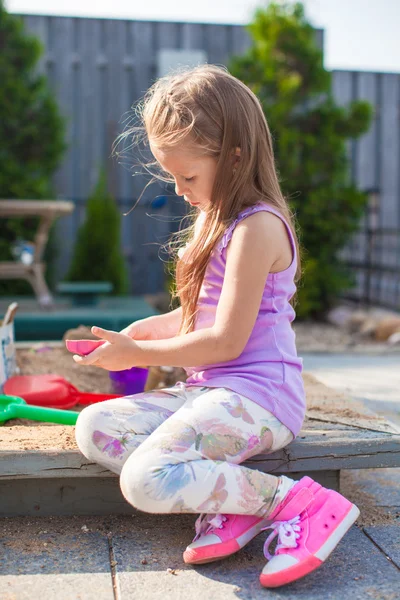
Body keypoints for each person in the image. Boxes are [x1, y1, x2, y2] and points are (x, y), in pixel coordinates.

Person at [74, 65, 359, 588]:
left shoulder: (258, 227)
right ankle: (235, 502)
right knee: (97, 429)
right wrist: (140, 335)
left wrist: (138, 355)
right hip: (211, 390)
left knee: (146, 479)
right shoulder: (214, 220)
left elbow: (226, 339)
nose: (180, 191)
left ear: (233, 157)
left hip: (261, 396)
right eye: (172, 178)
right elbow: (194, 318)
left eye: (188, 177)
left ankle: (300, 503)